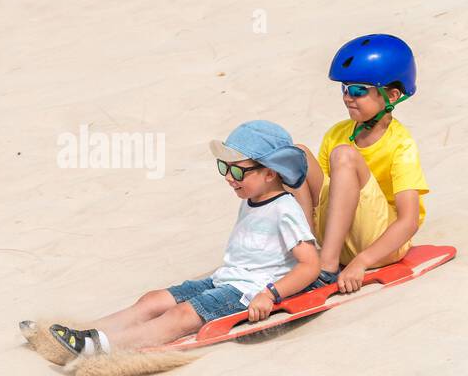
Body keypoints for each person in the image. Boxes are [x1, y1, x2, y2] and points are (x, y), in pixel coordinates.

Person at [33, 120, 329, 358]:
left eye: (237, 169)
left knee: (184, 314)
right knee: (153, 300)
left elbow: (309, 265)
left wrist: (270, 295)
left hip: (249, 291)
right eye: (224, 168)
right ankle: (83, 332)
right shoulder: (252, 198)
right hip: (227, 279)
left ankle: (102, 346)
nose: (229, 176)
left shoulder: (284, 209)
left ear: (269, 173)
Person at [289, 34, 430, 295]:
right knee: (295, 155)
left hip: (379, 243)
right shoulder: (336, 132)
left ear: (392, 94)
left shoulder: (401, 144)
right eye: (344, 89)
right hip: (337, 235)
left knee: (345, 156)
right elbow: (323, 195)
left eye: (358, 91)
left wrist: (361, 262)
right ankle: (306, 255)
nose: (347, 97)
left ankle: (327, 267)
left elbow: (409, 221)